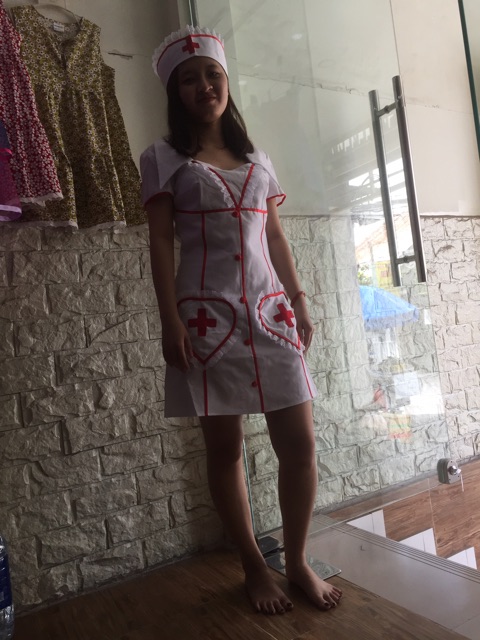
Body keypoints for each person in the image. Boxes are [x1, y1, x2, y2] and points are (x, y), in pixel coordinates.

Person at [140, 25, 342, 615]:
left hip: (270, 314)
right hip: (207, 320)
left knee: (299, 445)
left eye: (213, 74)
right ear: (175, 92)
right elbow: (160, 242)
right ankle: (254, 565)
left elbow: (274, 236)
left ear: (226, 82)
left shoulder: (258, 160)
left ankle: (297, 560)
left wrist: (299, 299)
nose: (204, 86)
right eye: (189, 79)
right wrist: (169, 321)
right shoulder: (162, 159)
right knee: (225, 448)